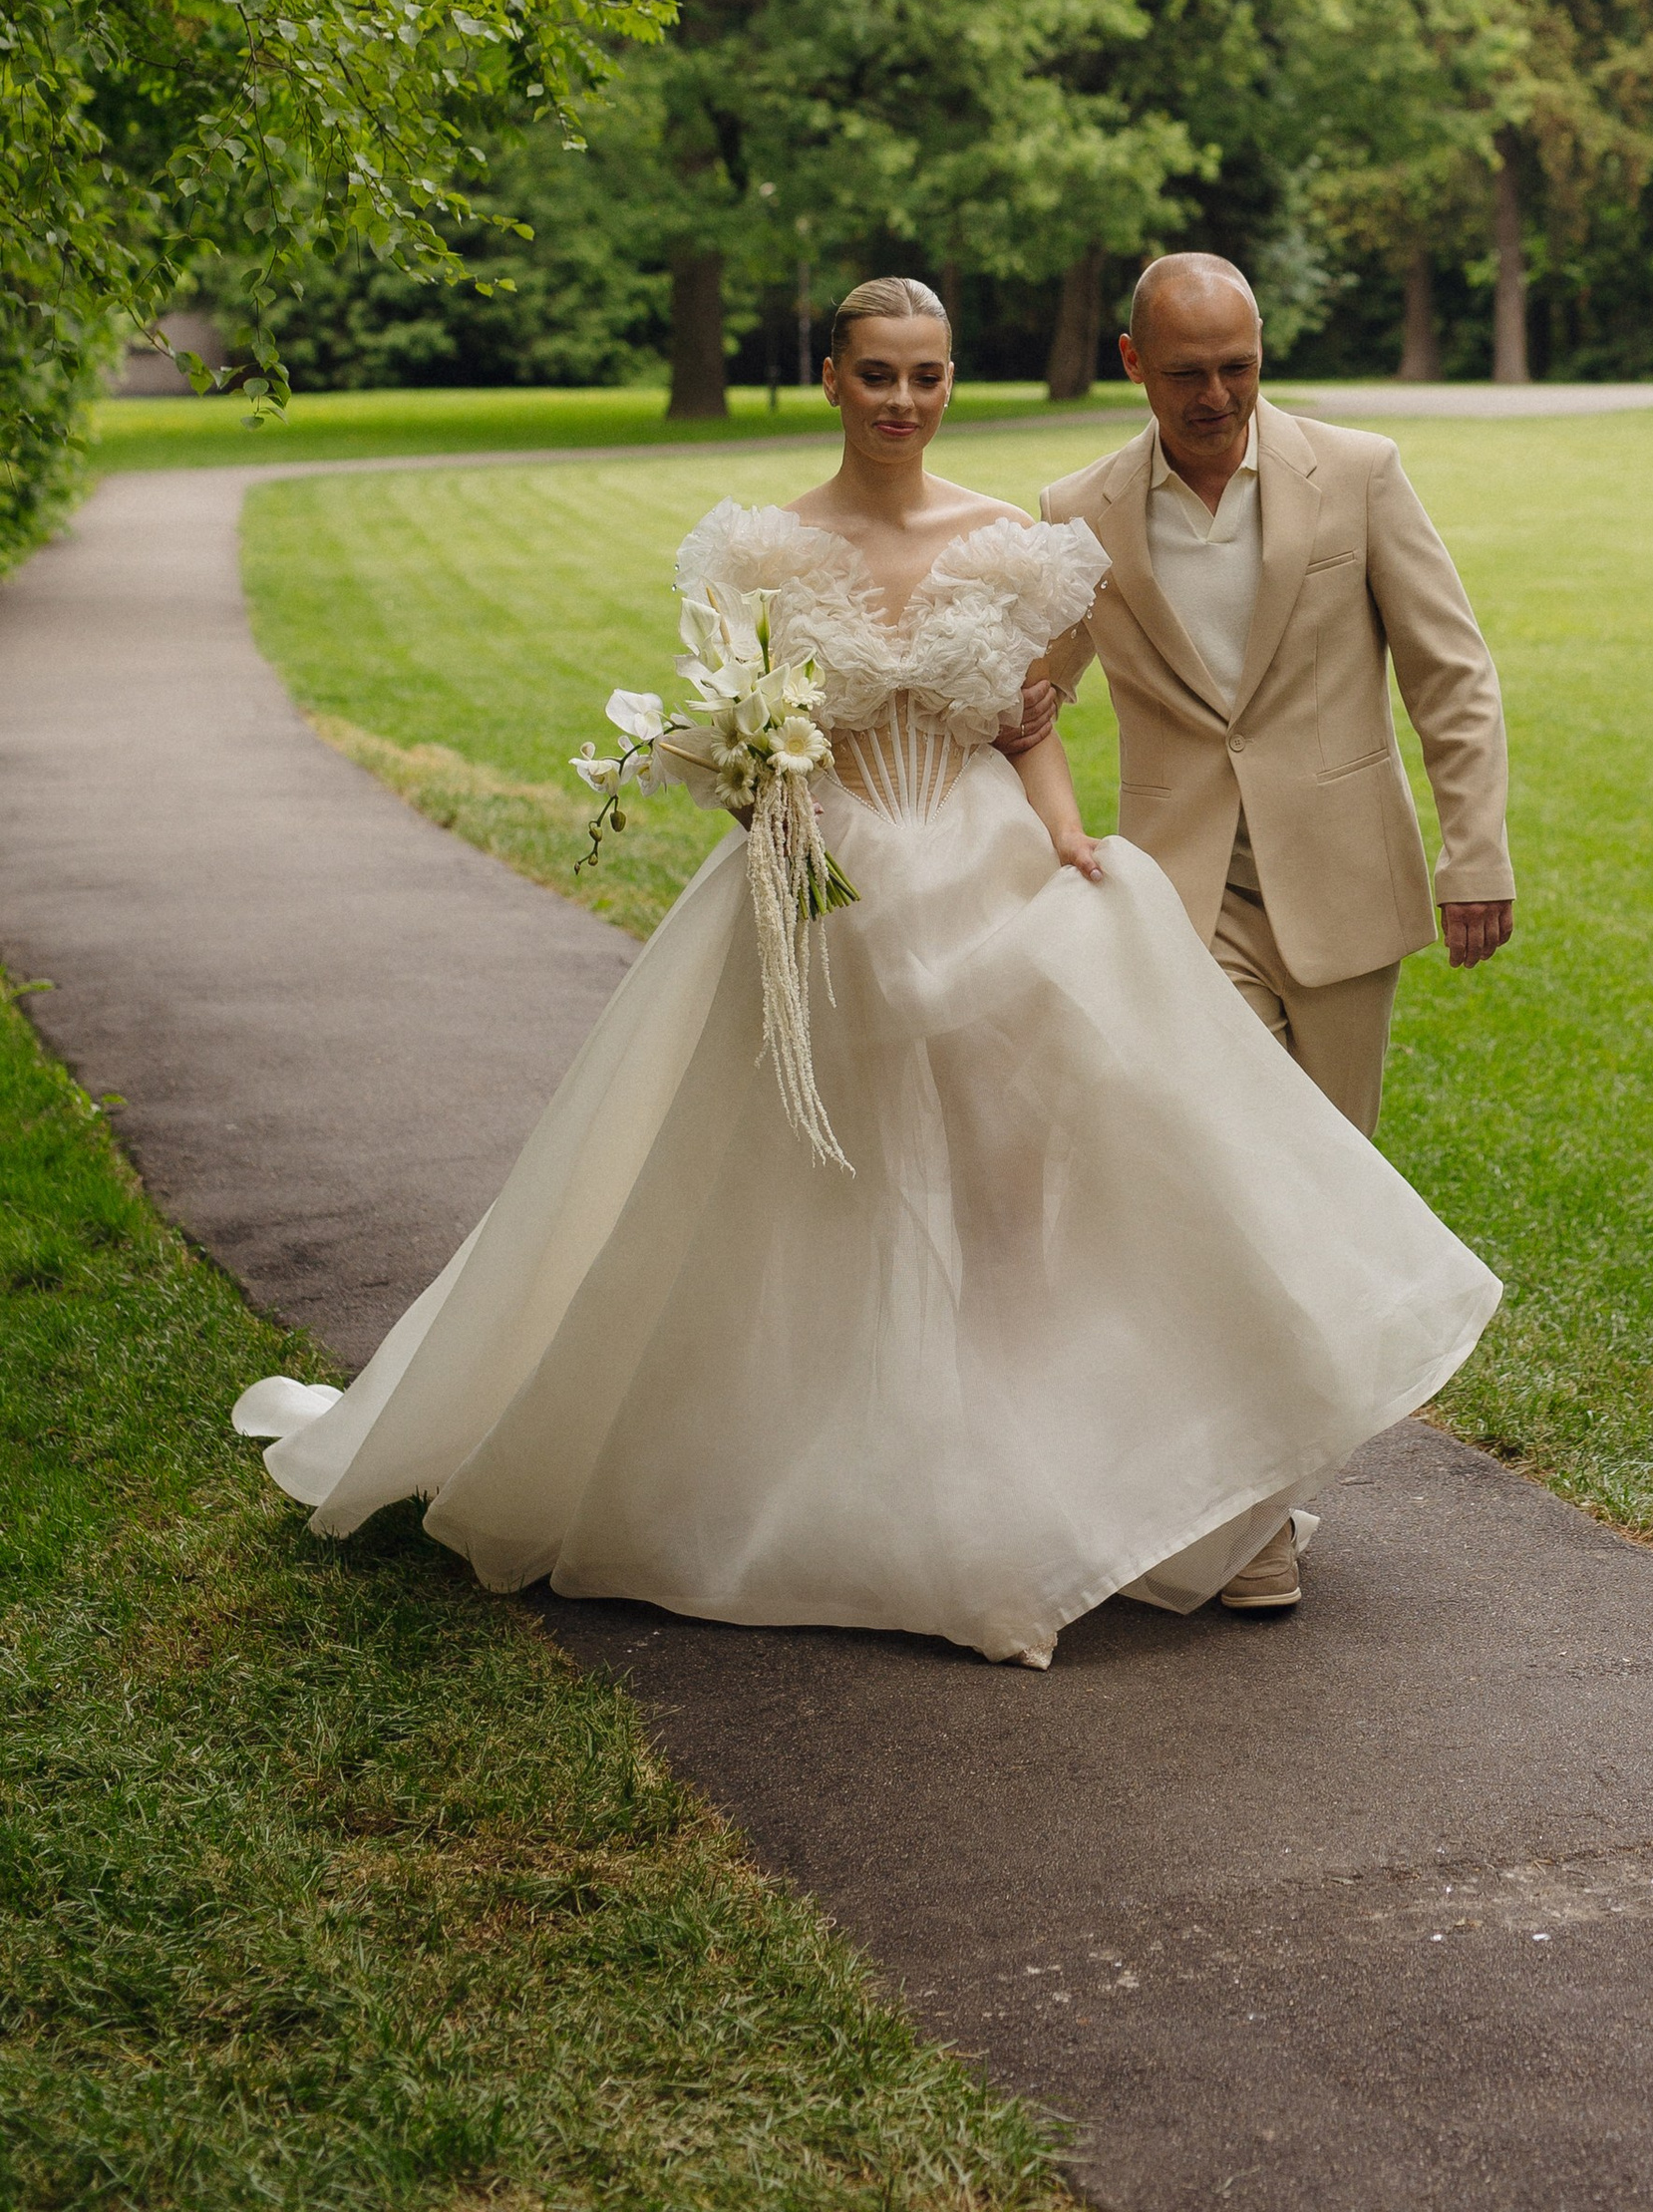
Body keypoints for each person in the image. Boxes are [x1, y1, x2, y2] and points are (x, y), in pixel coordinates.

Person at [233, 278, 1498, 1673]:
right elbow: (745, 726)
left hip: (997, 882)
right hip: (821, 893)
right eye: (880, 374)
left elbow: (1028, 718)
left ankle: (1071, 1485)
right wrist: (753, 780)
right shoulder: (774, 550)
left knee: (1037, 1201)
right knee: (799, 1201)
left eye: (930, 375)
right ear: (832, 378)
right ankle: (813, 1470)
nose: (905, 400)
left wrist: (1071, 840)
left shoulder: (1020, 537)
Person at [1036, 251, 1514, 1616]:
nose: (1219, 395)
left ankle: (1264, 1485)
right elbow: (1024, 697)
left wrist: (1475, 849)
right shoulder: (1079, 516)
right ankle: (1242, 1532)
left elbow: (1451, 672)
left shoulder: (1356, 473)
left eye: (1239, 365)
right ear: (1136, 365)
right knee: (1224, 1199)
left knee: (1320, 1214)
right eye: (1188, 371)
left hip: (1348, 891)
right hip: (1184, 909)